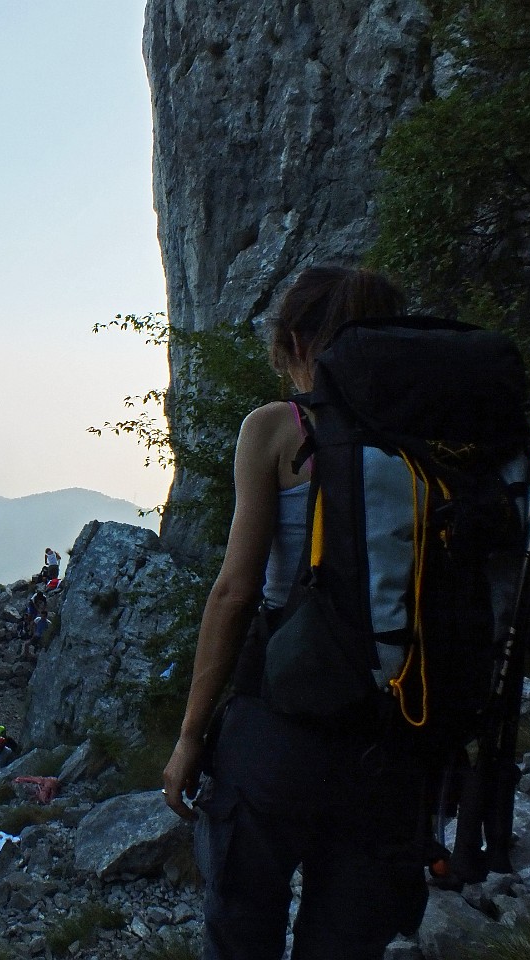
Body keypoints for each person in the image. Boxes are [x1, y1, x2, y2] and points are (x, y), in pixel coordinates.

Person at [161, 267, 429, 960]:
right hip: (398, 740)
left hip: (285, 728)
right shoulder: (433, 445)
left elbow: (234, 592)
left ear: (299, 339)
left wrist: (191, 736)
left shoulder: (280, 428)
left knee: (244, 926)